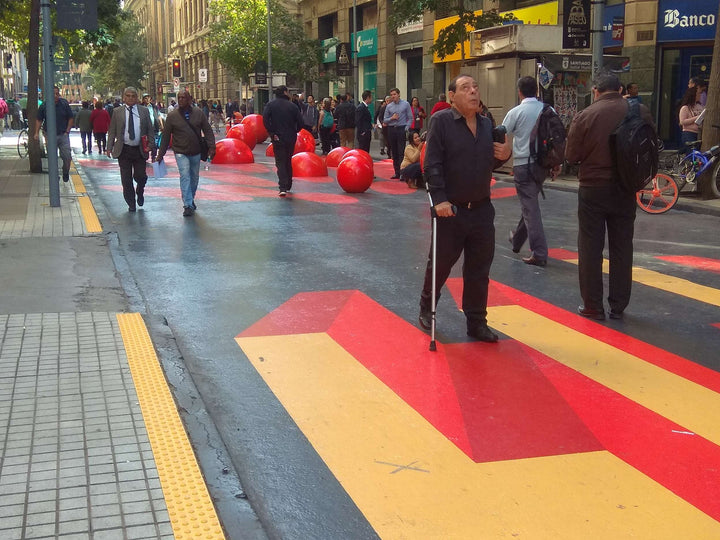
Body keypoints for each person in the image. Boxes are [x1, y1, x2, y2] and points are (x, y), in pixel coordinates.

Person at [418, 74, 511, 342]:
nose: (473, 92)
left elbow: (487, 162)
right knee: (441, 264)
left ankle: (476, 321)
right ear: (452, 97)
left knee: (479, 269)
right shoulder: (442, 122)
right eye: (465, 88)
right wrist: (440, 200)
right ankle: (427, 306)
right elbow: (431, 164)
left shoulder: (486, 124)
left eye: (475, 87)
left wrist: (505, 154)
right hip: (452, 210)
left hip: (482, 209)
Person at [565, 72, 654, 320]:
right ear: (622, 89)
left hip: (593, 187)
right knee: (622, 246)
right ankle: (619, 305)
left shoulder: (586, 115)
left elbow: (571, 156)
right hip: (626, 187)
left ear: (596, 91)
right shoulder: (640, 111)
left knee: (590, 246)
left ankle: (592, 305)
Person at [501, 76, 550, 267]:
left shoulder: (517, 112)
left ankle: (539, 252)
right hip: (542, 165)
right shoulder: (548, 110)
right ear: (536, 91)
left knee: (530, 208)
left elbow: (502, 131)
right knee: (530, 205)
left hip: (523, 164)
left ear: (519, 91)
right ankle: (517, 240)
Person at [156, 89, 216, 216]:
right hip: (180, 151)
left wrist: (212, 146)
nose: (181, 100)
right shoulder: (172, 116)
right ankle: (187, 204)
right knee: (185, 175)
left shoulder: (198, 113)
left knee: (194, 177)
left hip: (196, 151)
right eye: (179, 98)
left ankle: (190, 197)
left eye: (184, 98)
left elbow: (208, 130)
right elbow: (165, 137)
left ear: (189, 99)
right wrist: (160, 154)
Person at [107, 87, 157, 212]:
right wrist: (109, 147)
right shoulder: (117, 111)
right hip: (123, 149)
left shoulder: (144, 111)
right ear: (124, 98)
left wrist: (151, 144)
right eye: (128, 96)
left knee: (141, 175)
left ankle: (140, 190)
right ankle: (131, 203)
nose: (130, 98)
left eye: (133, 96)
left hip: (140, 149)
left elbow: (150, 129)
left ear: (137, 98)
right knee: (126, 179)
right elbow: (112, 130)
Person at [262, 85, 303, 197]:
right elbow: (300, 122)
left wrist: (272, 132)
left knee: (280, 161)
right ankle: (288, 184)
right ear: (285, 92)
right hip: (290, 136)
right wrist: (295, 130)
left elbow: (265, 119)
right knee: (288, 160)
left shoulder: (270, 105)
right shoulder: (293, 106)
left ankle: (283, 186)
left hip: (277, 136)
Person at [35, 86, 74, 182]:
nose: (56, 96)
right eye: (53, 94)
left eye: (57, 93)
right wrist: (36, 133)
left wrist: (67, 131)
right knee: (52, 158)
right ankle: (54, 175)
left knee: (67, 157)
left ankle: (65, 171)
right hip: (50, 135)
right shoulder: (44, 106)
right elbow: (39, 120)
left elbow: (71, 118)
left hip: (63, 135)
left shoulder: (64, 104)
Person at [383, 88, 413, 178]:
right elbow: (384, 119)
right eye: (391, 95)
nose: (393, 96)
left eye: (394, 94)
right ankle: (397, 172)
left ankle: (402, 172)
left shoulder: (406, 104)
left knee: (401, 151)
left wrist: (406, 128)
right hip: (391, 129)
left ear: (399, 94)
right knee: (394, 151)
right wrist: (391, 118)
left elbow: (410, 117)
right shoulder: (389, 106)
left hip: (401, 128)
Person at [142, 94, 162, 161]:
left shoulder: (154, 107)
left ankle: (153, 156)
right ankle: (145, 156)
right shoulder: (141, 107)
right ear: (143, 99)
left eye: (148, 98)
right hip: (144, 128)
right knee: (145, 143)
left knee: (155, 143)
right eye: (145, 98)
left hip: (154, 127)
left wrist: (161, 125)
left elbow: (159, 116)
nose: (147, 99)